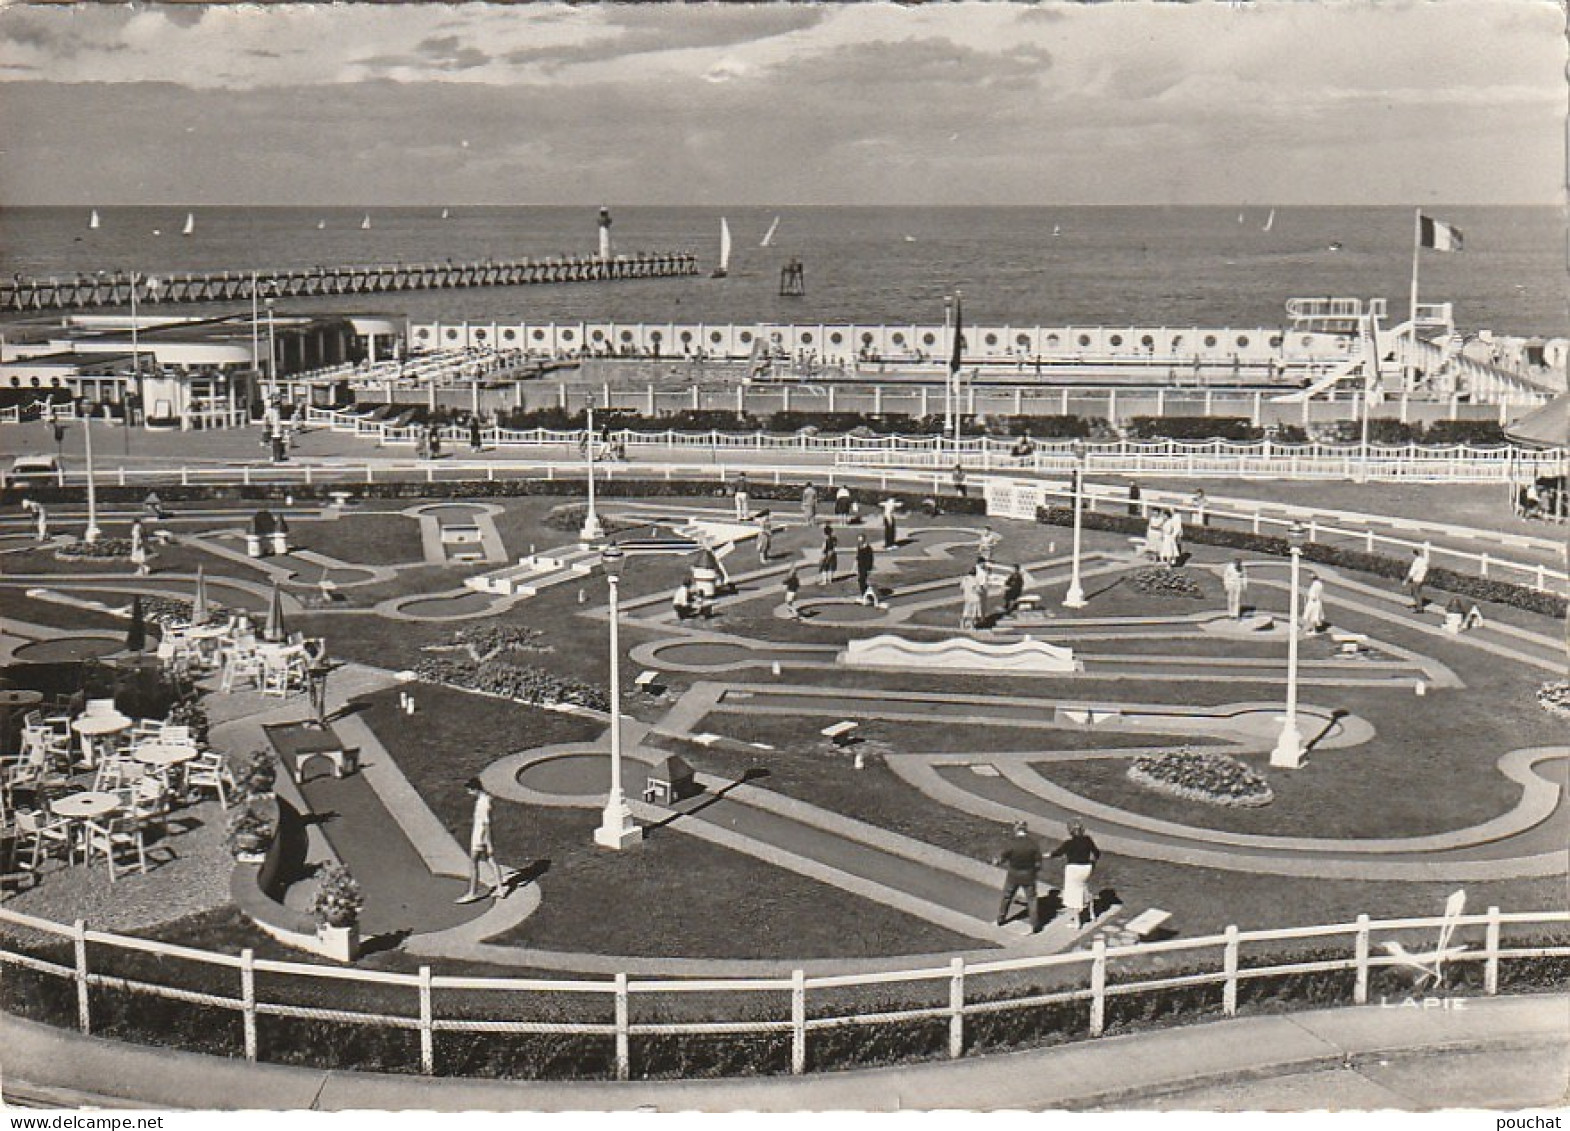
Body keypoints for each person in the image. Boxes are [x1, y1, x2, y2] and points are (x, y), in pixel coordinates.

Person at [457, 777, 505, 904]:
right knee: (491, 861)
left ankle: (472, 893)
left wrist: (488, 843)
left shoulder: (483, 804)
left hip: (479, 837)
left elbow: (486, 824)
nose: (468, 793)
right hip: (481, 836)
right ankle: (500, 889)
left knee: (473, 863)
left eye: (469, 790)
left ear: (475, 789)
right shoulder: (485, 800)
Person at [1050, 819, 1102, 927]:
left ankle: (1077, 923)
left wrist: (1044, 855)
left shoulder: (1068, 843)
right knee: (1084, 889)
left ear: (1070, 831)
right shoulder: (1088, 840)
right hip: (1086, 869)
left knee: (1073, 895)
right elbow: (1097, 853)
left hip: (1073, 870)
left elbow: (1056, 853)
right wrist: (1093, 863)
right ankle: (1092, 915)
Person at [993, 820, 1043, 931]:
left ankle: (1001, 919)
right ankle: (1034, 924)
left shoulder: (1012, 843)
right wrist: (1034, 872)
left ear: (1016, 829)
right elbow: (1038, 862)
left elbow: (1003, 857)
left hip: (1013, 874)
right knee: (1032, 899)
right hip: (1028, 875)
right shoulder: (1033, 844)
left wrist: (997, 861)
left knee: (1007, 896)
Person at [303, 638, 331, 729]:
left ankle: (316, 718)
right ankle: (319, 718)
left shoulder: (307, 656)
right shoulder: (317, 656)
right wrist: (321, 643)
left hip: (312, 676)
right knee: (318, 699)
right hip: (318, 676)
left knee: (313, 699)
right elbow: (322, 653)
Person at [1405, 546, 1430, 612]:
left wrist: (1406, 580)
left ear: (1414, 554)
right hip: (1421, 579)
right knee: (1416, 592)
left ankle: (1420, 608)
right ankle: (1419, 605)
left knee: (1415, 593)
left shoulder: (1416, 562)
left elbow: (1412, 572)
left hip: (1416, 580)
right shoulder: (1423, 560)